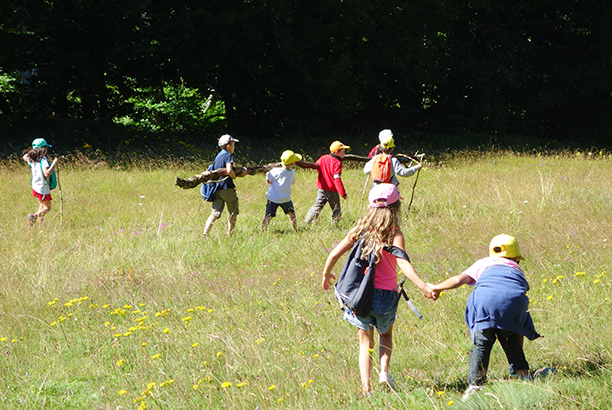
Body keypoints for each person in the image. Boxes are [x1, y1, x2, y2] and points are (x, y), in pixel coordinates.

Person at [322, 184, 436, 395]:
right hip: (386, 296)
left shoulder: (358, 230)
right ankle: (383, 372)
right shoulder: (394, 233)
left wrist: (326, 273)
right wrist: (424, 286)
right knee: (385, 335)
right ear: (396, 207)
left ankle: (366, 389)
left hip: (360, 296)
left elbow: (334, 253)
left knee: (365, 341)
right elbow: (403, 263)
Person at [428, 234, 540, 401]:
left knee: (482, 342)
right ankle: (522, 375)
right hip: (512, 303)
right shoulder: (516, 268)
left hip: (483, 303)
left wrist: (437, 288)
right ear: (517, 257)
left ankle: (475, 385)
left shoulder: (484, 263)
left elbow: (459, 280)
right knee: (510, 338)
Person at [202, 134, 248, 236]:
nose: (234, 147)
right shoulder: (228, 155)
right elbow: (229, 169)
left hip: (217, 188)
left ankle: (205, 234)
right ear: (228, 146)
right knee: (233, 213)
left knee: (214, 214)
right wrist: (234, 176)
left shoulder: (218, 156)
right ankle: (230, 234)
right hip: (227, 188)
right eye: (233, 145)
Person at [304, 141, 350, 224]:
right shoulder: (337, 163)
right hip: (332, 190)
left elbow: (317, 167)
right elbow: (337, 179)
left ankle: (307, 221)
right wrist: (343, 193)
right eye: (343, 151)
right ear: (337, 152)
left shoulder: (323, 158)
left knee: (317, 205)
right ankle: (336, 224)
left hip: (321, 187)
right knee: (336, 208)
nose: (344, 153)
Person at [262, 150, 302, 232]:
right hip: (285, 198)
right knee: (292, 214)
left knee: (268, 215)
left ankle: (263, 230)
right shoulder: (292, 173)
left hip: (272, 198)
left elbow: (269, 181)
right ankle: (295, 229)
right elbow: (293, 182)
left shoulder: (274, 171)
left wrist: (267, 175)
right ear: (293, 163)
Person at [22, 138, 59, 226]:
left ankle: (42, 224)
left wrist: (32, 152)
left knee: (41, 206)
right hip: (43, 187)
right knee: (47, 208)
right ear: (44, 149)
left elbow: (25, 157)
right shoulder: (43, 160)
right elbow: (46, 174)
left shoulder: (31, 159)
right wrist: (54, 164)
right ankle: (33, 217)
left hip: (35, 186)